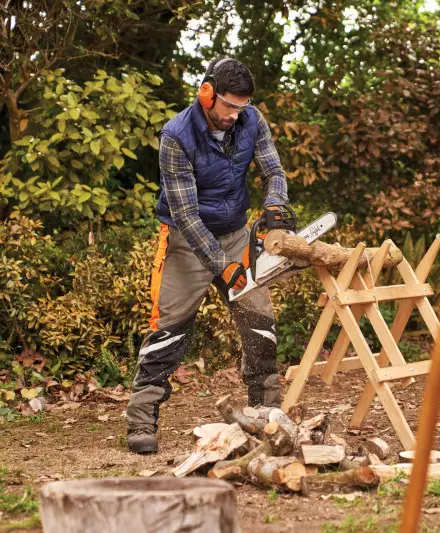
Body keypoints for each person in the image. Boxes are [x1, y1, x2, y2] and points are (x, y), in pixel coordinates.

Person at [125, 58, 289, 454]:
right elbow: (184, 213)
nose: (235, 115)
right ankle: (141, 420)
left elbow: (274, 172)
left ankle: (266, 413)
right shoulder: (176, 135)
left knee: (259, 324)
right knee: (169, 330)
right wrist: (223, 266)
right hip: (186, 240)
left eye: (242, 107)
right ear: (207, 94)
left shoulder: (251, 120)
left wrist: (276, 207)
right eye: (229, 106)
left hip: (235, 234)